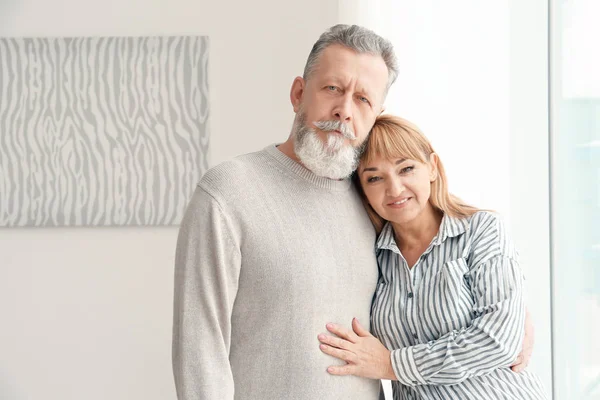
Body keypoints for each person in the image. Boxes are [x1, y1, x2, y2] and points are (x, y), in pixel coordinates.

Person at [172, 24, 533, 400]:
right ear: (298, 93)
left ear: (376, 114)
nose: (344, 110)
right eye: (332, 88)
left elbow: (435, 273)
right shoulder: (230, 190)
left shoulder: (373, 200)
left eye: (362, 99)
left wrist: (514, 317)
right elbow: (200, 343)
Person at [317, 115, 547, 399]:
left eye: (406, 169)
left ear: (432, 168)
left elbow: (499, 340)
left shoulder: (481, 229)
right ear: (362, 190)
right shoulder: (370, 253)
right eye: (375, 178)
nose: (395, 189)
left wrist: (392, 365)